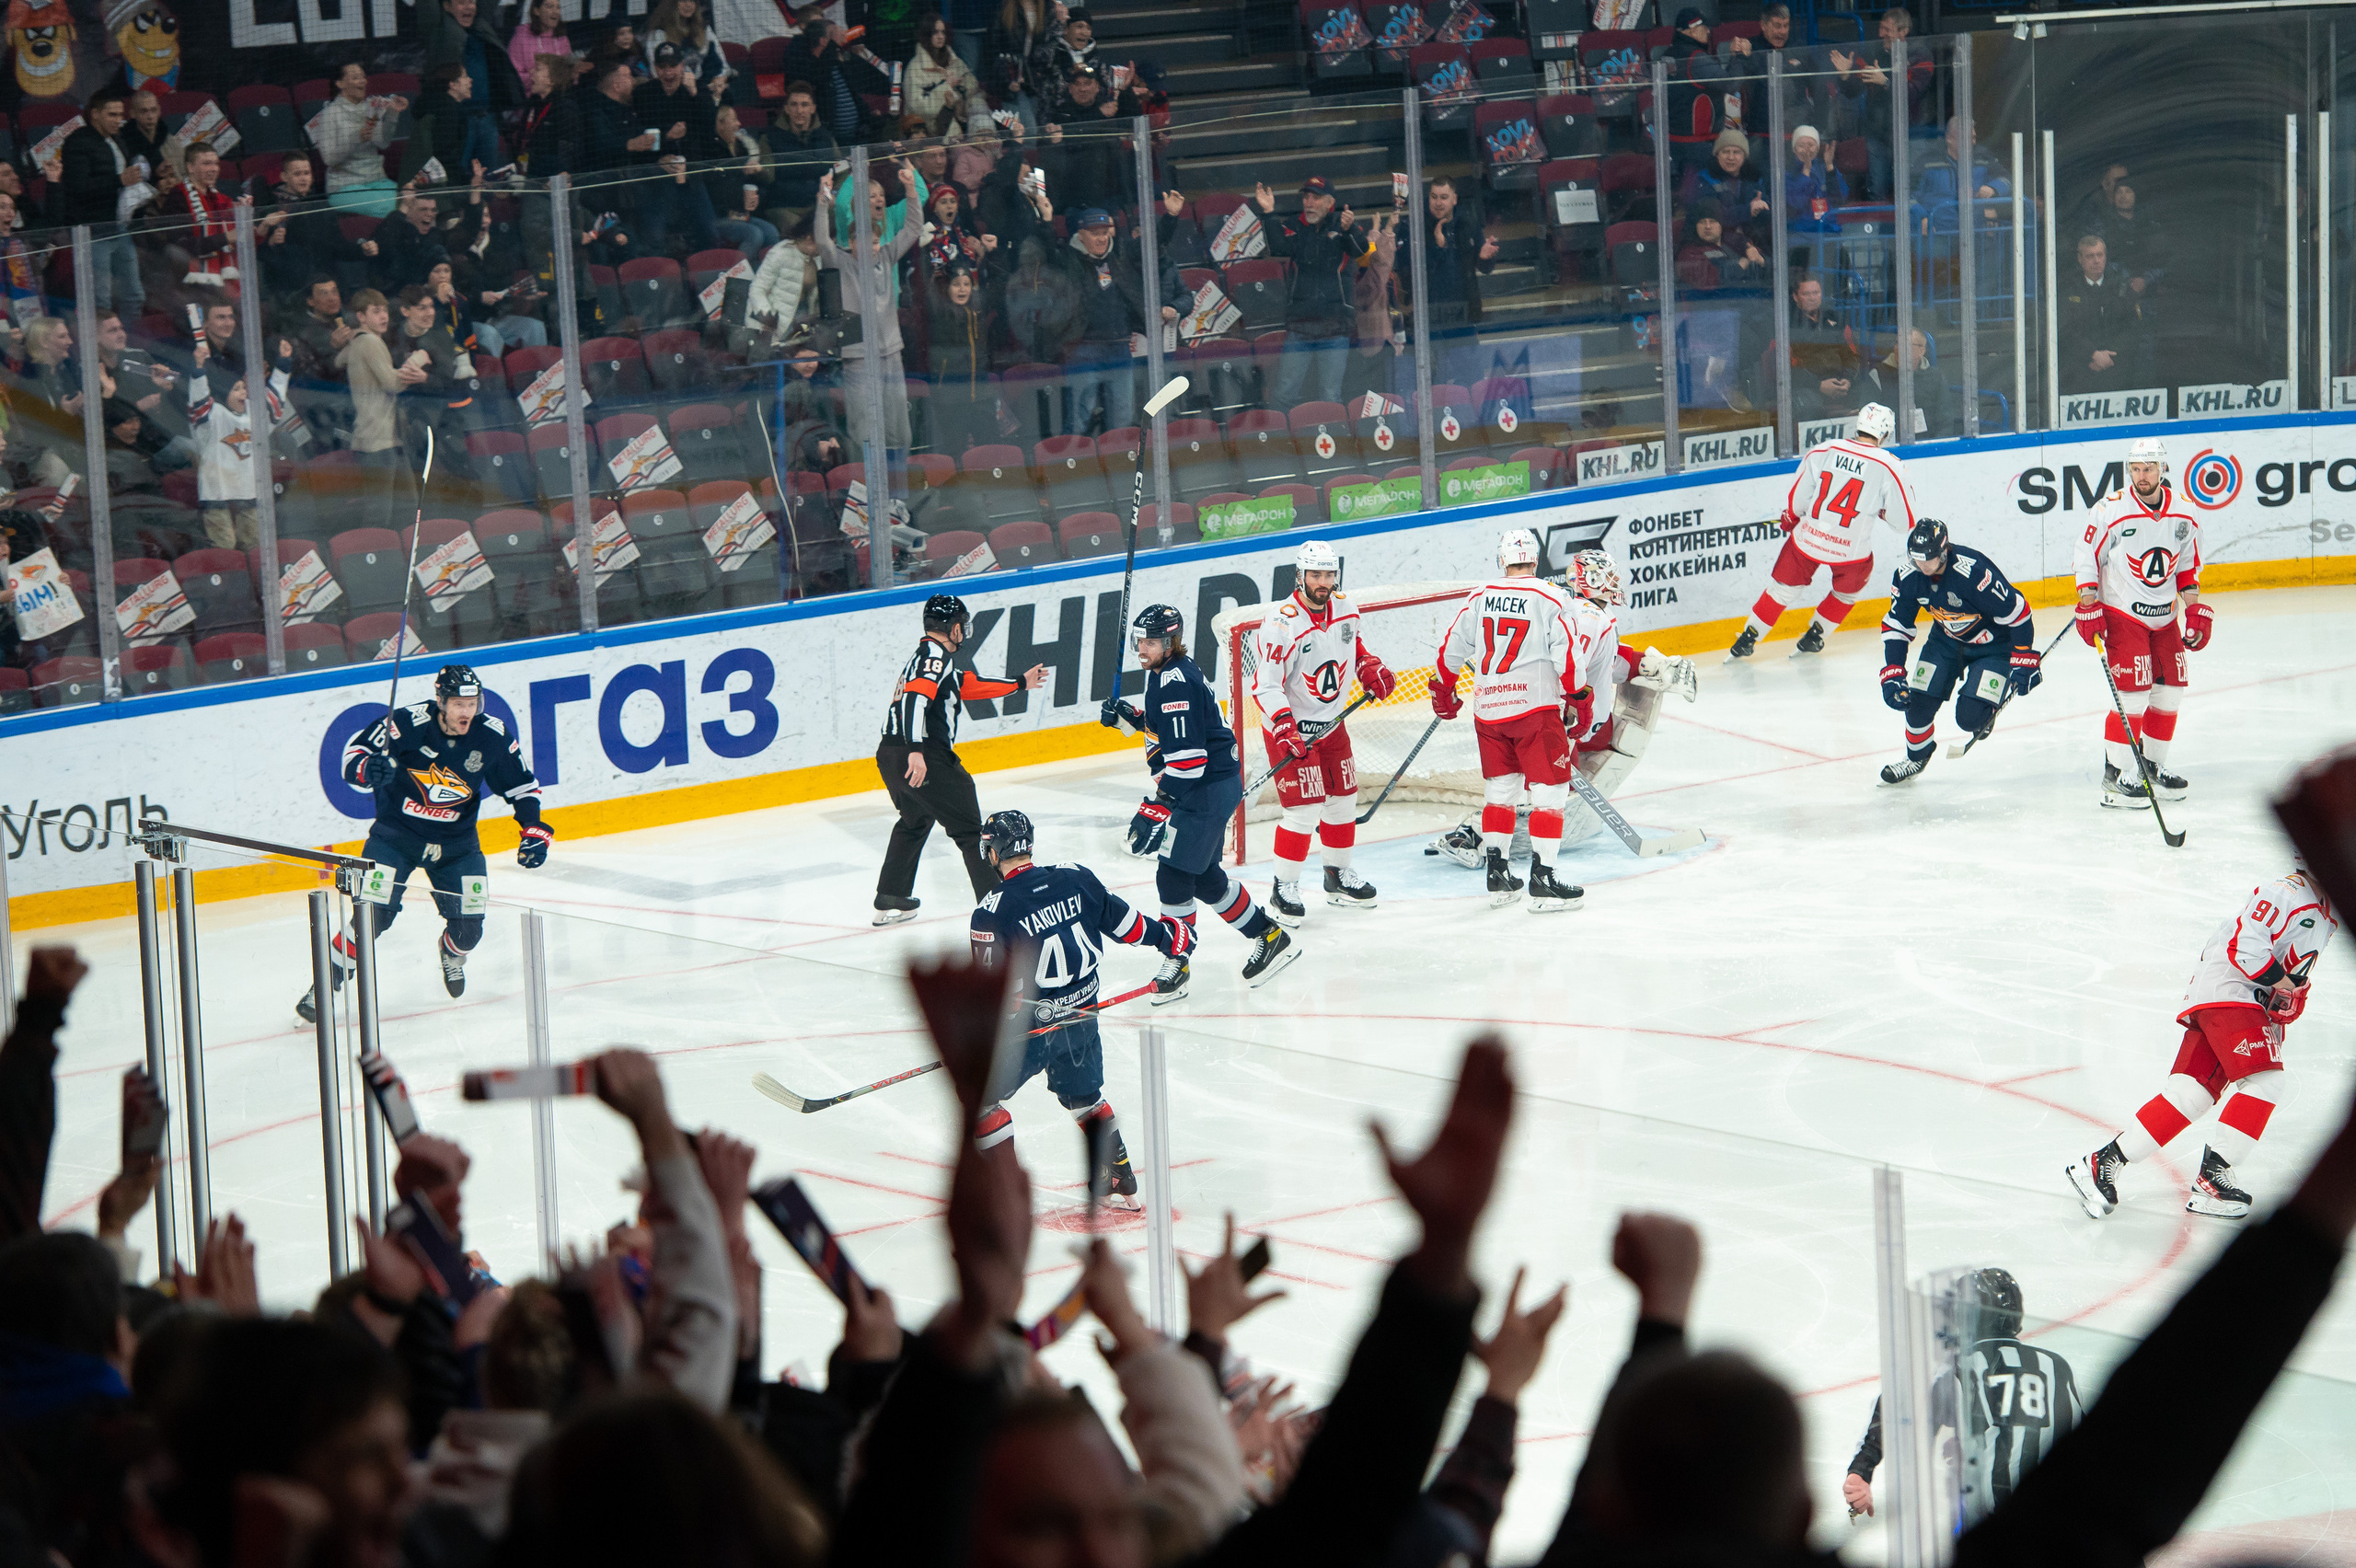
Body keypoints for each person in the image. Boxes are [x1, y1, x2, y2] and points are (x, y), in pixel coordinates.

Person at [2070, 864, 2336, 1221]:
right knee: (2266, 1081)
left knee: (2191, 1093)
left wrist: (2285, 997)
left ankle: (2104, 1162)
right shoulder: (2287, 891)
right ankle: (2213, 1177)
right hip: (2230, 992)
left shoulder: (2326, 915)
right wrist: (2284, 984)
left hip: (2242, 1000)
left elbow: (2287, 973)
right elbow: (2246, 947)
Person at [298, 664, 549, 1020]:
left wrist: (533, 829)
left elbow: (523, 787)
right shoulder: (406, 723)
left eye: (473, 703)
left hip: (458, 848)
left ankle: (451, 953)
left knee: (469, 931)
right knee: (371, 917)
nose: (467, 712)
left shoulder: (491, 735)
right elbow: (353, 756)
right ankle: (324, 986)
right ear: (441, 701)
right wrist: (369, 769)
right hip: (395, 840)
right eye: (459, 704)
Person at [966, 809, 1190, 1208]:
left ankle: (1004, 1195)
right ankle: (1116, 1172)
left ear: (994, 852)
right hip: (1082, 1015)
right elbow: (1128, 926)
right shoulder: (1076, 877)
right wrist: (1170, 938)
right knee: (1084, 1097)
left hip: (1031, 1030)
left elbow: (1000, 997)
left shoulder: (991, 911)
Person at [1431, 549, 1697, 870]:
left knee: (1538, 788)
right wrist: (1563, 718)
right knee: (1548, 793)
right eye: (1609, 574)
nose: (1615, 581)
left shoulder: (1588, 615)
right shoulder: (1588, 616)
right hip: (1566, 723)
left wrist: (1651, 664)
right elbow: (1571, 670)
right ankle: (1474, 834)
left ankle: (1490, 838)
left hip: (1563, 720)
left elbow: (1607, 663)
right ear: (1594, 579)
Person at [1101, 603, 1299, 997]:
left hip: (1204, 790)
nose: (1143, 647)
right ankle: (1269, 936)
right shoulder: (1167, 673)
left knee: (1173, 875)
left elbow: (1190, 761)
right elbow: (1179, 731)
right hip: (1212, 786)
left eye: (1152, 641)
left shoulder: (1173, 680)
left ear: (1171, 641)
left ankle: (1177, 962)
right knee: (1204, 878)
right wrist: (1134, 718)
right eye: (1140, 639)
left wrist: (1156, 806)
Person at [1844, 1268, 2085, 1524]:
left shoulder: (1959, 1370)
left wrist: (1861, 1470)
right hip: (2068, 1519)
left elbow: (1898, 1407)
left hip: (1998, 1524)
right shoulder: (2056, 1366)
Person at [1430, 528, 1589, 912]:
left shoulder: (1480, 595)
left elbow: (1452, 649)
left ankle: (1498, 876)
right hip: (1534, 711)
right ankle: (1543, 878)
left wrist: (1443, 689)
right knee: (1549, 796)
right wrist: (1580, 697)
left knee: (1500, 794)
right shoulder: (1552, 597)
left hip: (1488, 712)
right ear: (1536, 560)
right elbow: (1567, 659)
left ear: (1501, 561)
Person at [873, 594, 1048, 921]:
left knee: (915, 820)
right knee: (971, 832)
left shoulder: (928, 658)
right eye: (961, 625)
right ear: (952, 628)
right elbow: (914, 700)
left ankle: (891, 893)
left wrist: (1018, 684)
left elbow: (966, 686)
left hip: (889, 754)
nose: (964, 631)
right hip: (924, 754)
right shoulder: (934, 656)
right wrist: (916, 750)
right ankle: (1000, 910)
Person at [1247, 539, 1395, 921]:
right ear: (1300, 576)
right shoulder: (1281, 624)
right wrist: (1283, 725)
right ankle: (1284, 888)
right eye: (1316, 575)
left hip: (1331, 725)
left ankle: (1337, 875)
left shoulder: (1345, 608)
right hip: (1292, 731)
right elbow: (1265, 684)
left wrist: (1369, 666)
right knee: (1304, 809)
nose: (1323, 582)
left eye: (1329, 574)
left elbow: (1353, 647)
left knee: (1343, 799)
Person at [2072, 435, 2204, 808]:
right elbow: (2086, 557)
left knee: (2170, 691)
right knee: (2132, 694)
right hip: (2122, 613)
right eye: (2135, 468)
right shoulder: (2110, 509)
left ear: (2163, 469)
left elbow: (2188, 565)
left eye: (2148, 468)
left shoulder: (2184, 511)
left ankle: (2151, 767)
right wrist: (2088, 603)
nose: (2140, 476)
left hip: (2165, 618)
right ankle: (2116, 776)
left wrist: (2193, 607)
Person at [1727, 400, 1916, 660]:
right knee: (1846, 593)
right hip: (1851, 551)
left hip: (1809, 540)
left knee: (1782, 589)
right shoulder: (1891, 465)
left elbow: (1798, 498)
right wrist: (1880, 511)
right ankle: (1816, 636)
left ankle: (1748, 637)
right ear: (1885, 433)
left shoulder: (1824, 449)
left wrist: (1791, 518)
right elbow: (1904, 522)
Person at [1873, 519, 2038, 785]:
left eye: (1928, 560)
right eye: (1917, 560)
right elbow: (1897, 625)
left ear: (1944, 551)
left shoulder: (1974, 573)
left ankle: (1986, 705)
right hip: (1946, 642)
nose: (1922, 567)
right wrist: (1893, 671)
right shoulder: (1908, 575)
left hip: (1994, 647)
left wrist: (2023, 657)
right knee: (1915, 704)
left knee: (1971, 719)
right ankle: (1917, 757)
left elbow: (2018, 613)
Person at [814, 167, 922, 455]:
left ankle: (898, 495)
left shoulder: (886, 256)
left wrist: (911, 190)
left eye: (875, 241)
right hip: (858, 357)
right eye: (866, 241)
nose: (874, 247)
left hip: (890, 353)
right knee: (863, 431)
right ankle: (865, 494)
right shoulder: (840, 262)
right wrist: (823, 201)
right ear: (851, 242)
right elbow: (823, 240)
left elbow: (913, 228)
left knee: (899, 431)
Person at [1251, 175, 1373, 409]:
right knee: (1284, 393)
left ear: (1329, 203)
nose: (1308, 203)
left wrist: (1348, 231)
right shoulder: (1296, 226)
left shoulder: (1343, 224)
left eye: (1315, 198)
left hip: (1335, 327)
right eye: (1306, 197)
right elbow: (1277, 248)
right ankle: (1285, 443)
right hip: (1301, 326)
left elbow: (1362, 251)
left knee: (1330, 395)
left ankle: (1333, 442)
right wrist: (1268, 212)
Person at [186, 334, 292, 550]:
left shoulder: (254, 413)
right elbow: (199, 399)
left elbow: (275, 401)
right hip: (217, 492)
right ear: (223, 393)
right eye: (236, 389)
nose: (243, 392)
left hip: (249, 489)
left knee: (254, 546)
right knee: (225, 546)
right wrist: (198, 368)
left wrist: (283, 364)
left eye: (243, 388)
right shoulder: (212, 417)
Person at [1401, 176, 1495, 393]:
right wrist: (1438, 247)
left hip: (1462, 313)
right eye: (1433, 197)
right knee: (1437, 383)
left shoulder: (1468, 222)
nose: (1438, 202)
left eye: (1444, 197)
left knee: (1472, 378)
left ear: (1454, 199)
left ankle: (1471, 423)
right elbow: (1408, 271)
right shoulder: (1416, 225)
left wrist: (1485, 257)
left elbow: (1485, 268)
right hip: (1430, 316)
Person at [57, 91, 149, 311]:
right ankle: (99, 345)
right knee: (100, 300)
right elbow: (77, 188)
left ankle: (129, 341)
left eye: (120, 115)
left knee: (134, 295)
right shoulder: (77, 142)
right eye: (112, 114)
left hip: (118, 226)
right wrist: (120, 180)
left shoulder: (117, 138)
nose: (118, 120)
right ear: (95, 114)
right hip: (92, 232)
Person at [315, 56, 410, 218]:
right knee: (391, 208)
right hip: (344, 186)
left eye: (363, 77)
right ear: (340, 84)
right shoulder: (330, 115)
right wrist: (355, 139)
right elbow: (329, 159)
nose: (362, 81)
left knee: (412, 202)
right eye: (355, 77)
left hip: (377, 180)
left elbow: (383, 143)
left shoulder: (371, 108)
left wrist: (392, 114)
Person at [2057, 234, 2146, 395]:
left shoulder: (2121, 285)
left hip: (2118, 372)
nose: (2096, 261)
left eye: (2100, 255)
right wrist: (2092, 354)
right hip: (2080, 373)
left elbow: (2132, 327)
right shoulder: (2067, 288)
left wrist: (2110, 357)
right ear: (2080, 259)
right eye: (2090, 256)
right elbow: (2065, 330)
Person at [1910, 114, 2011, 231]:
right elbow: (1907, 196)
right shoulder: (1927, 162)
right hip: (1937, 234)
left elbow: (2008, 179)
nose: (1972, 142)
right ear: (1949, 138)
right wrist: (1921, 218)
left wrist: (1993, 188)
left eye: (1973, 137)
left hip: (1975, 233)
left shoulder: (1983, 158)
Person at [1782, 271, 1860, 421]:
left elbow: (1851, 354)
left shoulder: (1834, 317)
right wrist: (1818, 385)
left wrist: (1848, 380)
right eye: (1806, 294)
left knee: (1870, 390)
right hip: (1807, 387)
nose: (1812, 298)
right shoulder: (1786, 323)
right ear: (1795, 297)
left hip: (1841, 382)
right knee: (1810, 407)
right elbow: (1784, 367)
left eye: (1816, 292)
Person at [1860, 327, 1957, 438]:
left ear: (1921, 351)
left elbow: (1946, 422)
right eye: (1897, 343)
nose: (1897, 348)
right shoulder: (1877, 375)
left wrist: (1935, 449)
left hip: (1929, 447)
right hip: (1889, 447)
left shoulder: (1936, 378)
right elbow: (1867, 421)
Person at [765, 84, 839, 217]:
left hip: (820, 203)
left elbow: (840, 170)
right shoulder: (770, 138)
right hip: (785, 207)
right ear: (786, 109)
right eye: (794, 105)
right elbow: (767, 176)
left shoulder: (826, 137)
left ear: (813, 108)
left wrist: (833, 195)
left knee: (840, 215)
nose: (799, 110)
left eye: (804, 105)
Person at [907, 11, 983, 129]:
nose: (940, 36)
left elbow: (974, 87)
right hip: (931, 127)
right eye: (935, 32)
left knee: (980, 107)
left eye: (943, 32)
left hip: (963, 118)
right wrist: (946, 87)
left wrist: (962, 94)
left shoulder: (955, 61)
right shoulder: (915, 68)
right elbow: (918, 108)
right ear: (926, 35)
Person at [1679, 129, 1768, 224]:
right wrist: (1748, 210)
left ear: (1744, 156)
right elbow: (1714, 215)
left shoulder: (1754, 177)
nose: (1731, 157)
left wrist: (1762, 207)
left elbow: (1768, 209)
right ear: (1717, 155)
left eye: (1736, 152)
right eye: (1725, 152)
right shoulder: (1704, 179)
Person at [1783, 123, 1845, 235]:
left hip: (1828, 230)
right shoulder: (1788, 173)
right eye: (1801, 145)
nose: (1806, 150)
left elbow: (1839, 199)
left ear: (1817, 148)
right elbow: (1796, 203)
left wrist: (1830, 167)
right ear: (1794, 149)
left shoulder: (1826, 168)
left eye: (1811, 145)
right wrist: (1806, 171)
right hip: (1800, 234)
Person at [509, 0, 572, 83]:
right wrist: (535, 78)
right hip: (530, 94)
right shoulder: (521, 38)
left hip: (560, 93)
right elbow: (512, 76)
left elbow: (569, 72)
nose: (556, 11)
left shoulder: (563, 39)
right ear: (537, 11)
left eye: (558, 7)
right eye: (550, 6)